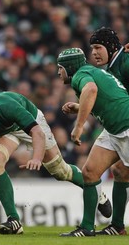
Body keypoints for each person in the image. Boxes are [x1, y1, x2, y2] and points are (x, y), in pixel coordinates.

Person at [0, 91, 111, 235]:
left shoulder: (7, 107)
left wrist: (37, 158)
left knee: (61, 171)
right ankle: (14, 220)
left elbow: (36, 132)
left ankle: (97, 192)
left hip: (31, 123)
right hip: (7, 131)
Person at [57, 47, 129, 237]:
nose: (58, 72)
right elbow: (106, 98)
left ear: (69, 67)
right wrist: (79, 108)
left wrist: (79, 125)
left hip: (126, 127)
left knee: (123, 172)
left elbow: (91, 89)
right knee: (91, 172)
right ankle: (91, 227)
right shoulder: (91, 71)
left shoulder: (81, 75)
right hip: (115, 130)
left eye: (60, 67)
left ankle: (115, 226)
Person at [89, 27, 129, 235]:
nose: (94, 52)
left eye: (98, 47)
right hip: (121, 127)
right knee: (121, 171)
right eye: (92, 48)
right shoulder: (114, 66)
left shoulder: (126, 62)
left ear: (111, 46)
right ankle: (118, 226)